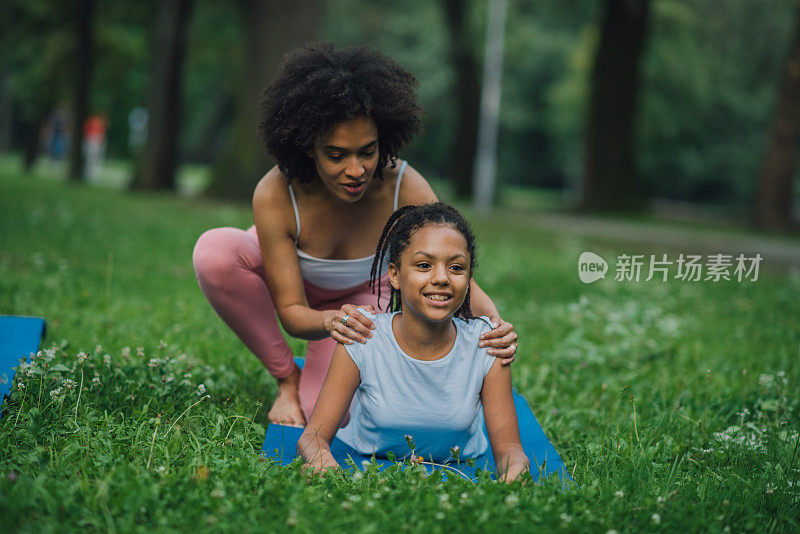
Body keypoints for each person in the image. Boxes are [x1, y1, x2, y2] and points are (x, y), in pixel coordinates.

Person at [192, 43, 518, 428]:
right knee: (214, 252)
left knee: (332, 416)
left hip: (367, 302)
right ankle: (286, 378)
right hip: (299, 293)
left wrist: (496, 327)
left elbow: (449, 267)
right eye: (336, 154)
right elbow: (293, 314)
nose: (356, 170)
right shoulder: (276, 193)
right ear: (308, 147)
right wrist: (329, 322)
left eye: (368, 151)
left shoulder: (404, 187)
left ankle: (311, 383)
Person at [297, 203, 530, 483]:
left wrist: (514, 473)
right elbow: (313, 436)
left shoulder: (487, 344)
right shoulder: (363, 336)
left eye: (456, 268)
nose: (442, 278)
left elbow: (510, 450)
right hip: (366, 459)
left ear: (469, 280)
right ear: (394, 275)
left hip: (461, 463)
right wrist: (322, 460)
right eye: (424, 265)